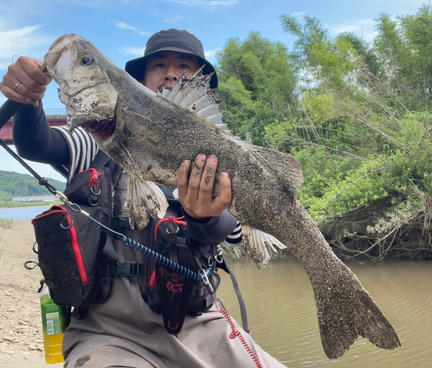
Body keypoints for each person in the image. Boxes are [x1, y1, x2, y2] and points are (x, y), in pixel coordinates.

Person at [0, 29, 286, 368]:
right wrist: (29, 100)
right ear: (139, 79)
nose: (170, 72)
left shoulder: (219, 154)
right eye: (159, 64)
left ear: (201, 85)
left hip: (198, 323)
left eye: (184, 65)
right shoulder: (98, 136)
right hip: (106, 332)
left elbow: (234, 233)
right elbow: (37, 144)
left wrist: (205, 216)